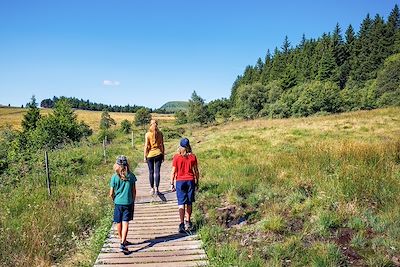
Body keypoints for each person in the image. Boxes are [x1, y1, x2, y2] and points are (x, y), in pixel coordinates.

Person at [171, 137, 199, 233]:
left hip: (180, 181)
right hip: (190, 180)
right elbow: (196, 171)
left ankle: (181, 223)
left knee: (181, 203)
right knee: (189, 202)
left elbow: (173, 171)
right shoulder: (193, 157)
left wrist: (172, 183)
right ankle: (188, 221)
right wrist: (197, 181)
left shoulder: (176, 157)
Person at [109, 155, 137, 253]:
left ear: (117, 165)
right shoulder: (131, 176)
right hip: (128, 202)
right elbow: (134, 191)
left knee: (118, 222)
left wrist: (114, 199)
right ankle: (123, 242)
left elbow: (111, 193)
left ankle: (122, 240)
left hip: (118, 203)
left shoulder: (114, 177)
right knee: (126, 222)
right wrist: (132, 200)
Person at [144, 119, 165, 195]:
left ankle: (152, 188)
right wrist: (163, 154)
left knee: (151, 172)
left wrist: (144, 156)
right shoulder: (160, 133)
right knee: (157, 172)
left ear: (150, 125)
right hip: (158, 153)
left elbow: (146, 146)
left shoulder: (147, 134)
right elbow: (162, 145)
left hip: (150, 155)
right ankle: (157, 188)